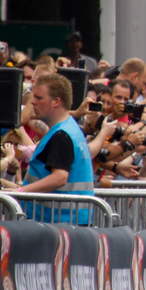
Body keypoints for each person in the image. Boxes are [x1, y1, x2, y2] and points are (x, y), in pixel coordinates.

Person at [18, 74, 94, 224]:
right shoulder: (69, 129)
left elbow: (59, 177)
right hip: (67, 222)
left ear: (56, 102)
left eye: (39, 98)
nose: (32, 102)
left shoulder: (62, 135)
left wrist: (21, 191)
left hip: (59, 224)